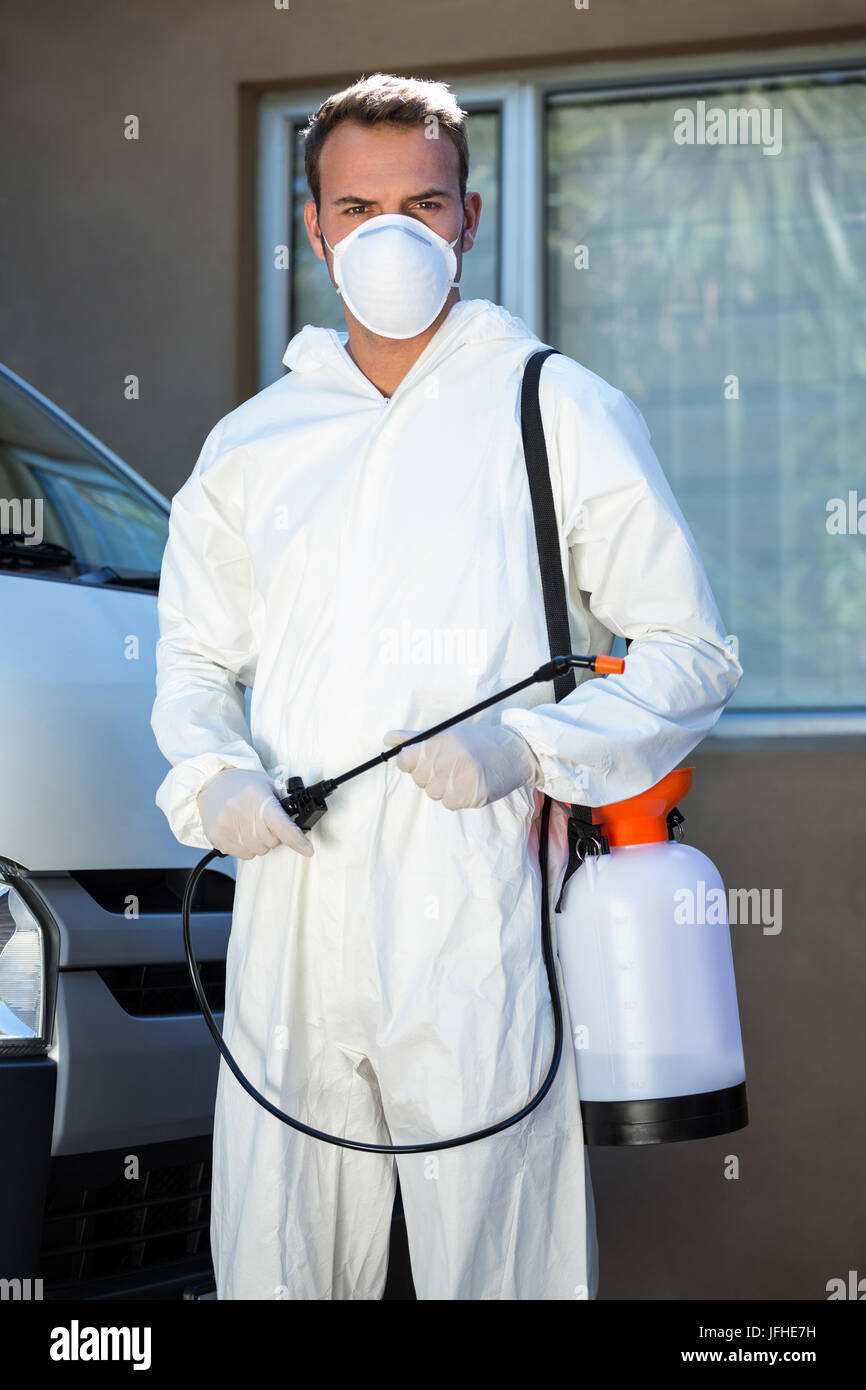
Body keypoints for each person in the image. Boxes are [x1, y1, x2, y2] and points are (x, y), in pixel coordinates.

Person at [150, 72, 742, 1301]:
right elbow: (196, 662)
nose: (389, 237)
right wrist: (213, 783)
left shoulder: (554, 408)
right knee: (277, 1257)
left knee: (500, 1256)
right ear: (312, 228)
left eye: (421, 205)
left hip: (475, 901)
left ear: (468, 219)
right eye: (356, 208)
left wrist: (527, 750)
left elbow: (690, 651)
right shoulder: (251, 446)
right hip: (292, 902)